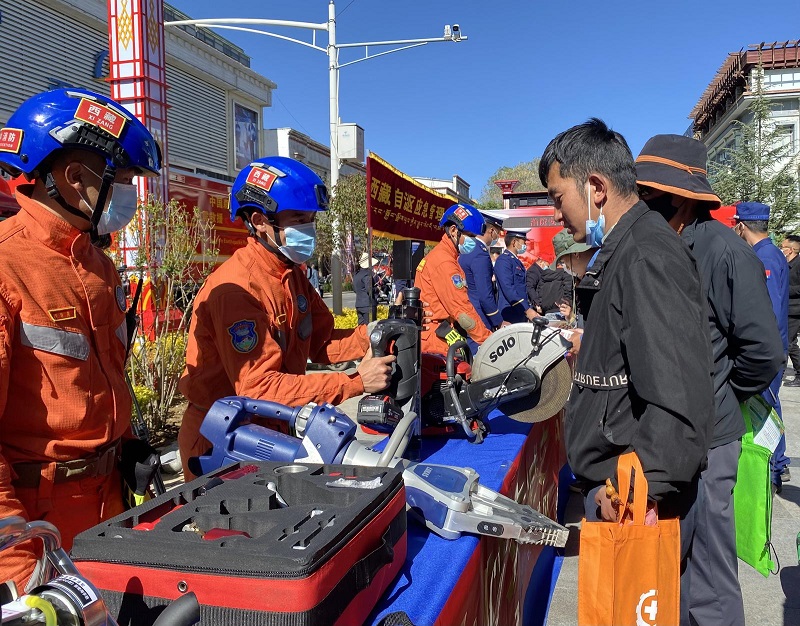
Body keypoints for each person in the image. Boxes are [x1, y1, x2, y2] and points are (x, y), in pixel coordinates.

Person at [540, 119, 716, 625]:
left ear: (595, 187)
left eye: (558, 198)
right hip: (628, 495)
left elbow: (678, 399)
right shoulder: (624, 251)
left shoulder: (645, 255)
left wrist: (636, 491)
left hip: (640, 503)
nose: (557, 215)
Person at [0, 88, 162, 588]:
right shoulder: (6, 269)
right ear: (74, 179)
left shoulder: (102, 269)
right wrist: (20, 569)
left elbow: (104, 375)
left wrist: (129, 444)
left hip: (110, 504)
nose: (132, 197)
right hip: (36, 525)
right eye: (125, 181)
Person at [636, 134, 783, 626]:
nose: (640, 204)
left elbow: (764, 352)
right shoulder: (662, 246)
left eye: (648, 195)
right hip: (669, 436)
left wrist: (723, 393)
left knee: (711, 570)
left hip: (714, 437)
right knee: (673, 562)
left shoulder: (725, 252)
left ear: (678, 198)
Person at [178, 157, 394, 480]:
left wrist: (373, 334)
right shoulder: (237, 290)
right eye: (298, 220)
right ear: (260, 220)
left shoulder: (292, 275)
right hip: (222, 442)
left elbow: (322, 341)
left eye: (311, 220)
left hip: (271, 431)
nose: (309, 229)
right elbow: (260, 388)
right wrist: (355, 382)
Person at [732, 202, 790, 491]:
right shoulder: (771, 253)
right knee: (769, 405)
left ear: (742, 226)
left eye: (735, 225)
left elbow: (766, 311)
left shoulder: (763, 258)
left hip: (769, 350)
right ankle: (776, 465)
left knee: (766, 408)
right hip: (774, 348)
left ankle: (774, 468)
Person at [415, 203, 492, 356]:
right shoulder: (444, 262)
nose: (473, 241)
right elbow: (461, 310)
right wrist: (489, 341)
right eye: (470, 236)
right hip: (436, 339)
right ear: (453, 230)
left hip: (442, 331)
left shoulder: (447, 257)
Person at [458, 209, 505, 331]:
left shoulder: (467, 248)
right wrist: (498, 321)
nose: (497, 237)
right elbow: (484, 294)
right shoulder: (480, 253)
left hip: (465, 311)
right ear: (491, 231)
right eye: (498, 233)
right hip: (479, 316)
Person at [494, 229, 540, 323]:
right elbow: (508, 288)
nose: (525, 245)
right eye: (523, 242)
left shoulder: (516, 261)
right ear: (514, 242)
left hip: (520, 311)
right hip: (510, 311)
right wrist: (527, 309)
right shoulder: (504, 261)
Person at [783, 234, 800, 388]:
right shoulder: (785, 263)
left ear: (791, 250)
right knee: (790, 343)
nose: (781, 249)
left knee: (788, 343)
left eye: (783, 247)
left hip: (795, 310)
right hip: (785, 309)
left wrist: (785, 289)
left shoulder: (798, 264)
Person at [354, 252, 379, 325]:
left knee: (361, 328)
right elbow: (369, 289)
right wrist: (377, 289)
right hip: (368, 305)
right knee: (370, 328)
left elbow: (355, 289)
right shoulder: (367, 274)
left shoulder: (357, 274)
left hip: (359, 304)